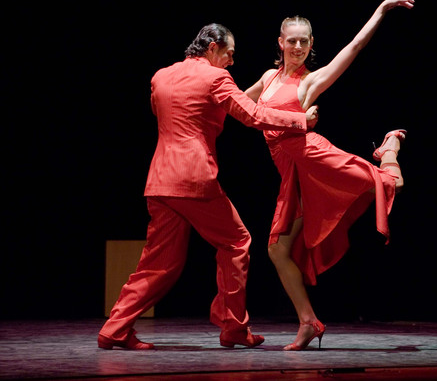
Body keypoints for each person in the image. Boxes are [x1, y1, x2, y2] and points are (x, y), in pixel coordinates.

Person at [98, 23, 319, 350]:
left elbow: (170, 115)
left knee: (159, 264)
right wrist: (301, 121)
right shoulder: (216, 78)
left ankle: (114, 329)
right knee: (237, 242)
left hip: (160, 179)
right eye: (229, 53)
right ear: (213, 47)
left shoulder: (161, 76)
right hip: (194, 177)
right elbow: (253, 116)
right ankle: (234, 327)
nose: (232, 61)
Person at [244, 0, 414, 350]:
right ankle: (309, 322)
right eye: (292, 41)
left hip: (313, 157)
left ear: (311, 44)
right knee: (277, 250)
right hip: (292, 175)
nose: (298, 47)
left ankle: (389, 148)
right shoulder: (268, 77)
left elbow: (354, 47)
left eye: (304, 42)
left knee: (391, 184)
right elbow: (241, 105)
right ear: (280, 42)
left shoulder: (310, 81)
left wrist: (380, 10)